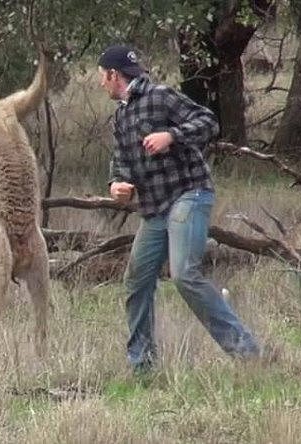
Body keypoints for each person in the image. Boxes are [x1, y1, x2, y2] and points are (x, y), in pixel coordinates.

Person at [98, 45, 260, 372]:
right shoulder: (121, 116)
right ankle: (142, 366)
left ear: (114, 75)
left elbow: (208, 122)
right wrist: (116, 185)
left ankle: (248, 354)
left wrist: (170, 135)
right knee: (137, 280)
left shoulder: (160, 96)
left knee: (184, 274)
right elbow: (121, 163)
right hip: (155, 209)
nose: (101, 83)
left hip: (189, 194)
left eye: (102, 76)